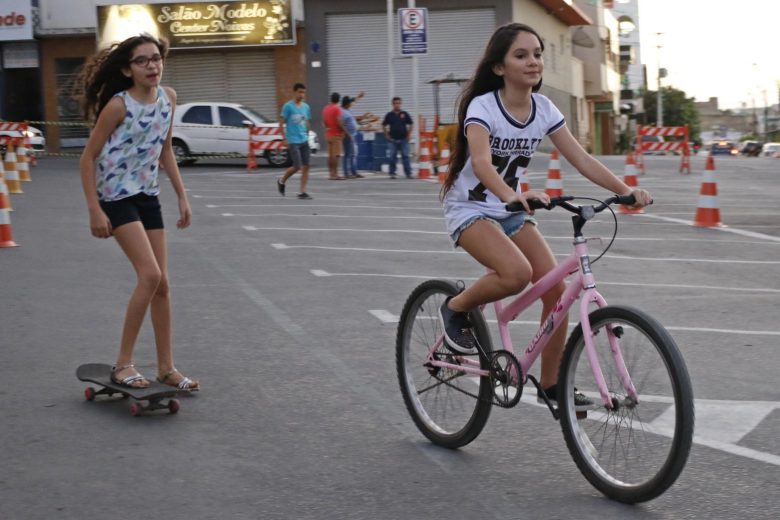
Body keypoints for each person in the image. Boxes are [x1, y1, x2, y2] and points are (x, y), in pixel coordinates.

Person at [438, 23, 651, 409]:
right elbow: (483, 165)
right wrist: (513, 196)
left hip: (510, 208)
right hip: (470, 208)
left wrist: (624, 192)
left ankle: (551, 386)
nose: (533, 61)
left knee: (557, 293)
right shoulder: (483, 107)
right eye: (521, 55)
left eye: (537, 53)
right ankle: (456, 307)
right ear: (500, 67)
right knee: (516, 274)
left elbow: (581, 158)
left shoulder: (544, 109)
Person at [78, 33, 199, 391]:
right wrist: (94, 211)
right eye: (142, 61)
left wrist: (182, 196)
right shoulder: (118, 106)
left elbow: (165, 149)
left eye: (156, 59)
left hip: (147, 195)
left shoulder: (169, 99)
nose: (152, 66)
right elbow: (87, 158)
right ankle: (122, 364)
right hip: (116, 197)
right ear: (128, 70)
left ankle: (166, 367)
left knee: (163, 285)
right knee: (149, 276)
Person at [278, 82, 313, 199]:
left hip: (304, 140)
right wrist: (284, 139)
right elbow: (281, 123)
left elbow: (307, 121)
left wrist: (308, 134)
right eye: (300, 92)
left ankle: (302, 192)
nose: (302, 95)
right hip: (293, 140)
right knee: (297, 166)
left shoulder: (306, 107)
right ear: (295, 92)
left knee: (306, 166)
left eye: (303, 92)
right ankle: (282, 181)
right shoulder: (288, 106)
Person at [382, 97, 413, 178]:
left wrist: (409, 135)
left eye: (398, 103)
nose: (397, 105)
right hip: (392, 140)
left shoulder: (404, 114)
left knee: (405, 157)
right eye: (395, 103)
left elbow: (411, 124)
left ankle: (408, 174)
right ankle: (392, 173)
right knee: (392, 157)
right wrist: (387, 135)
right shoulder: (389, 115)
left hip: (404, 139)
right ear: (392, 104)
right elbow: (383, 125)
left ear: (401, 104)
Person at [322, 92, 346, 180]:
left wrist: (328, 128)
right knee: (336, 155)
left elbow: (324, 122)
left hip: (328, 134)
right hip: (336, 134)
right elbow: (339, 121)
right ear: (338, 99)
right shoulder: (337, 109)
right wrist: (343, 130)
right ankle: (335, 174)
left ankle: (330, 174)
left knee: (330, 155)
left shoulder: (325, 108)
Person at [340, 95, 364, 179]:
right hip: (348, 136)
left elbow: (351, 119)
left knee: (353, 154)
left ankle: (354, 172)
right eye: (349, 103)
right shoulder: (342, 112)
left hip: (352, 135)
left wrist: (360, 118)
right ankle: (346, 173)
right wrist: (348, 134)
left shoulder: (348, 110)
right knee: (347, 154)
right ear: (346, 104)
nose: (351, 104)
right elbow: (342, 125)